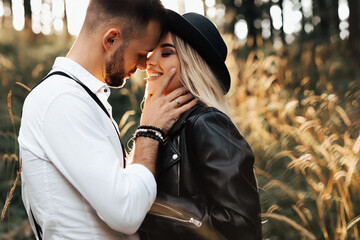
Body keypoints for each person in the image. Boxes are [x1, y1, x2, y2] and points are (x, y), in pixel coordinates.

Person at [18, 1, 197, 239]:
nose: (145, 65)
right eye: (142, 53)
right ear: (111, 39)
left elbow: (118, 189)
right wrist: (149, 132)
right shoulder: (61, 100)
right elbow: (127, 212)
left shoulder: (81, 96)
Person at [138, 10, 262, 240]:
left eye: (165, 53)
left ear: (191, 65)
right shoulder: (159, 126)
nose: (150, 61)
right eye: (151, 51)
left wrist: (147, 205)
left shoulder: (207, 123)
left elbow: (241, 224)